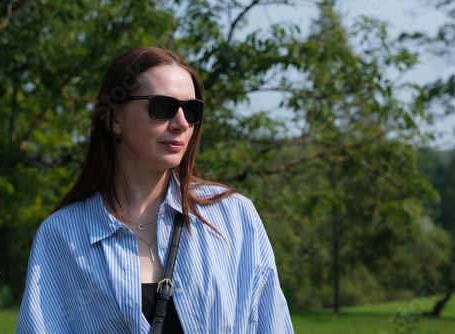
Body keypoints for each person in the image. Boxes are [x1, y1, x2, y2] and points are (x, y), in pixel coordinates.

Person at [16, 47, 294, 333]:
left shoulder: (235, 217)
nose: (182, 124)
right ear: (114, 118)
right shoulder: (62, 235)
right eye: (163, 107)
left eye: (192, 110)